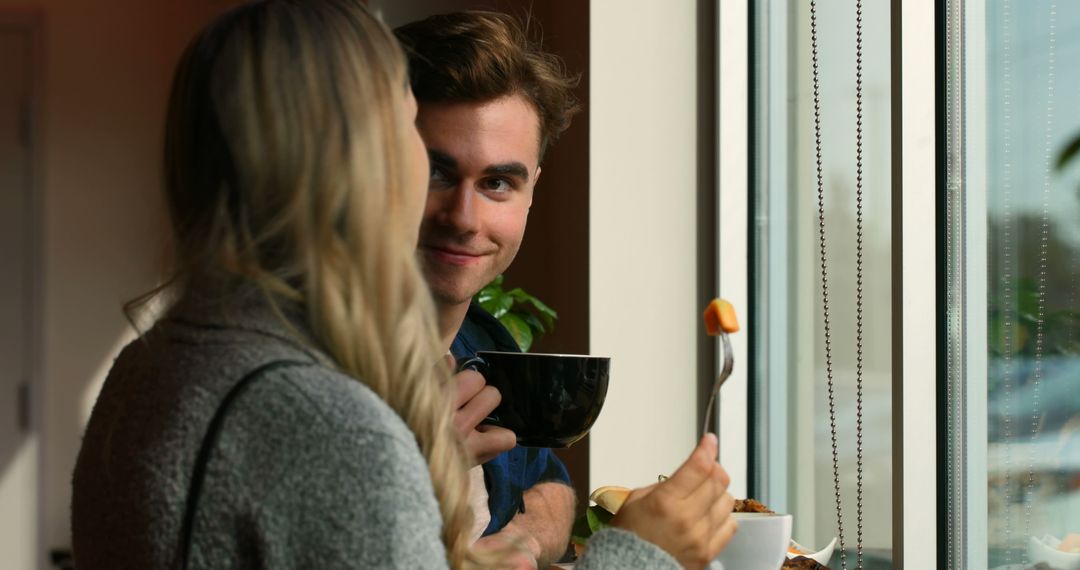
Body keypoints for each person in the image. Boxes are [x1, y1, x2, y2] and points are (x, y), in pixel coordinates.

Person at [70, 1, 737, 568]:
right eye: (414, 143)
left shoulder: (150, 363)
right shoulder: (339, 426)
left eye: (499, 181)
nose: (461, 214)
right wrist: (641, 555)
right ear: (359, 165)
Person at [394, 12, 582, 565]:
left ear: (531, 192)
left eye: (497, 182)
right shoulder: (298, 375)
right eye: (436, 173)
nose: (464, 218)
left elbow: (549, 483)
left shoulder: (483, 344)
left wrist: (524, 541)